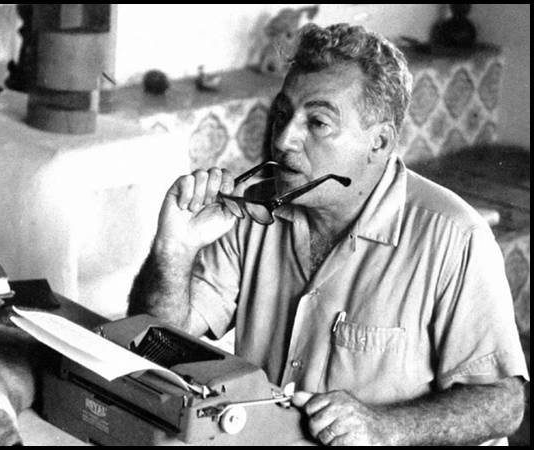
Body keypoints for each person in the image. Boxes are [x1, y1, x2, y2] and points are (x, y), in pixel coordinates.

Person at [128, 23, 528, 446]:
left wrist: (385, 427)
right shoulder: (253, 212)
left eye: (317, 122)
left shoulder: (455, 238)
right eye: (282, 115)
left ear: (379, 142)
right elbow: (156, 342)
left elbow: (504, 404)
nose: (284, 139)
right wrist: (175, 249)